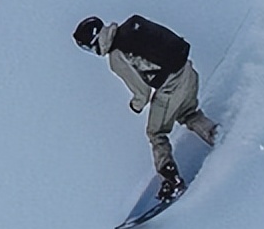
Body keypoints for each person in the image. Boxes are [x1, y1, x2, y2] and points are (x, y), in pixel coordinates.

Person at [73, 13, 219, 200]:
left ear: (93, 42)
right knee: (188, 113)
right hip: (187, 72)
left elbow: (142, 92)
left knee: (156, 133)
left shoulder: (116, 56)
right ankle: (216, 134)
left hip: (171, 86)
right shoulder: (131, 27)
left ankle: (171, 181)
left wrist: (136, 106)